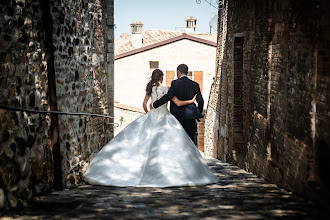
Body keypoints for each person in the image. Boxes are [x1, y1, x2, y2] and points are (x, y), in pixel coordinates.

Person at [83, 69, 218, 187]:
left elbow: (144, 104)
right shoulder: (166, 89)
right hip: (165, 117)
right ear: (162, 78)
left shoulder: (150, 89)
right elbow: (177, 102)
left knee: (142, 144)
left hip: (153, 116)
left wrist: (149, 114)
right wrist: (190, 101)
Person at [152, 64, 203, 143]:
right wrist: (198, 113)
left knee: (177, 140)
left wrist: (156, 104)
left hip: (177, 116)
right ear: (187, 72)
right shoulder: (195, 85)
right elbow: (200, 101)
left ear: (178, 72)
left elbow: (169, 96)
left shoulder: (175, 83)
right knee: (190, 140)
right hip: (190, 117)